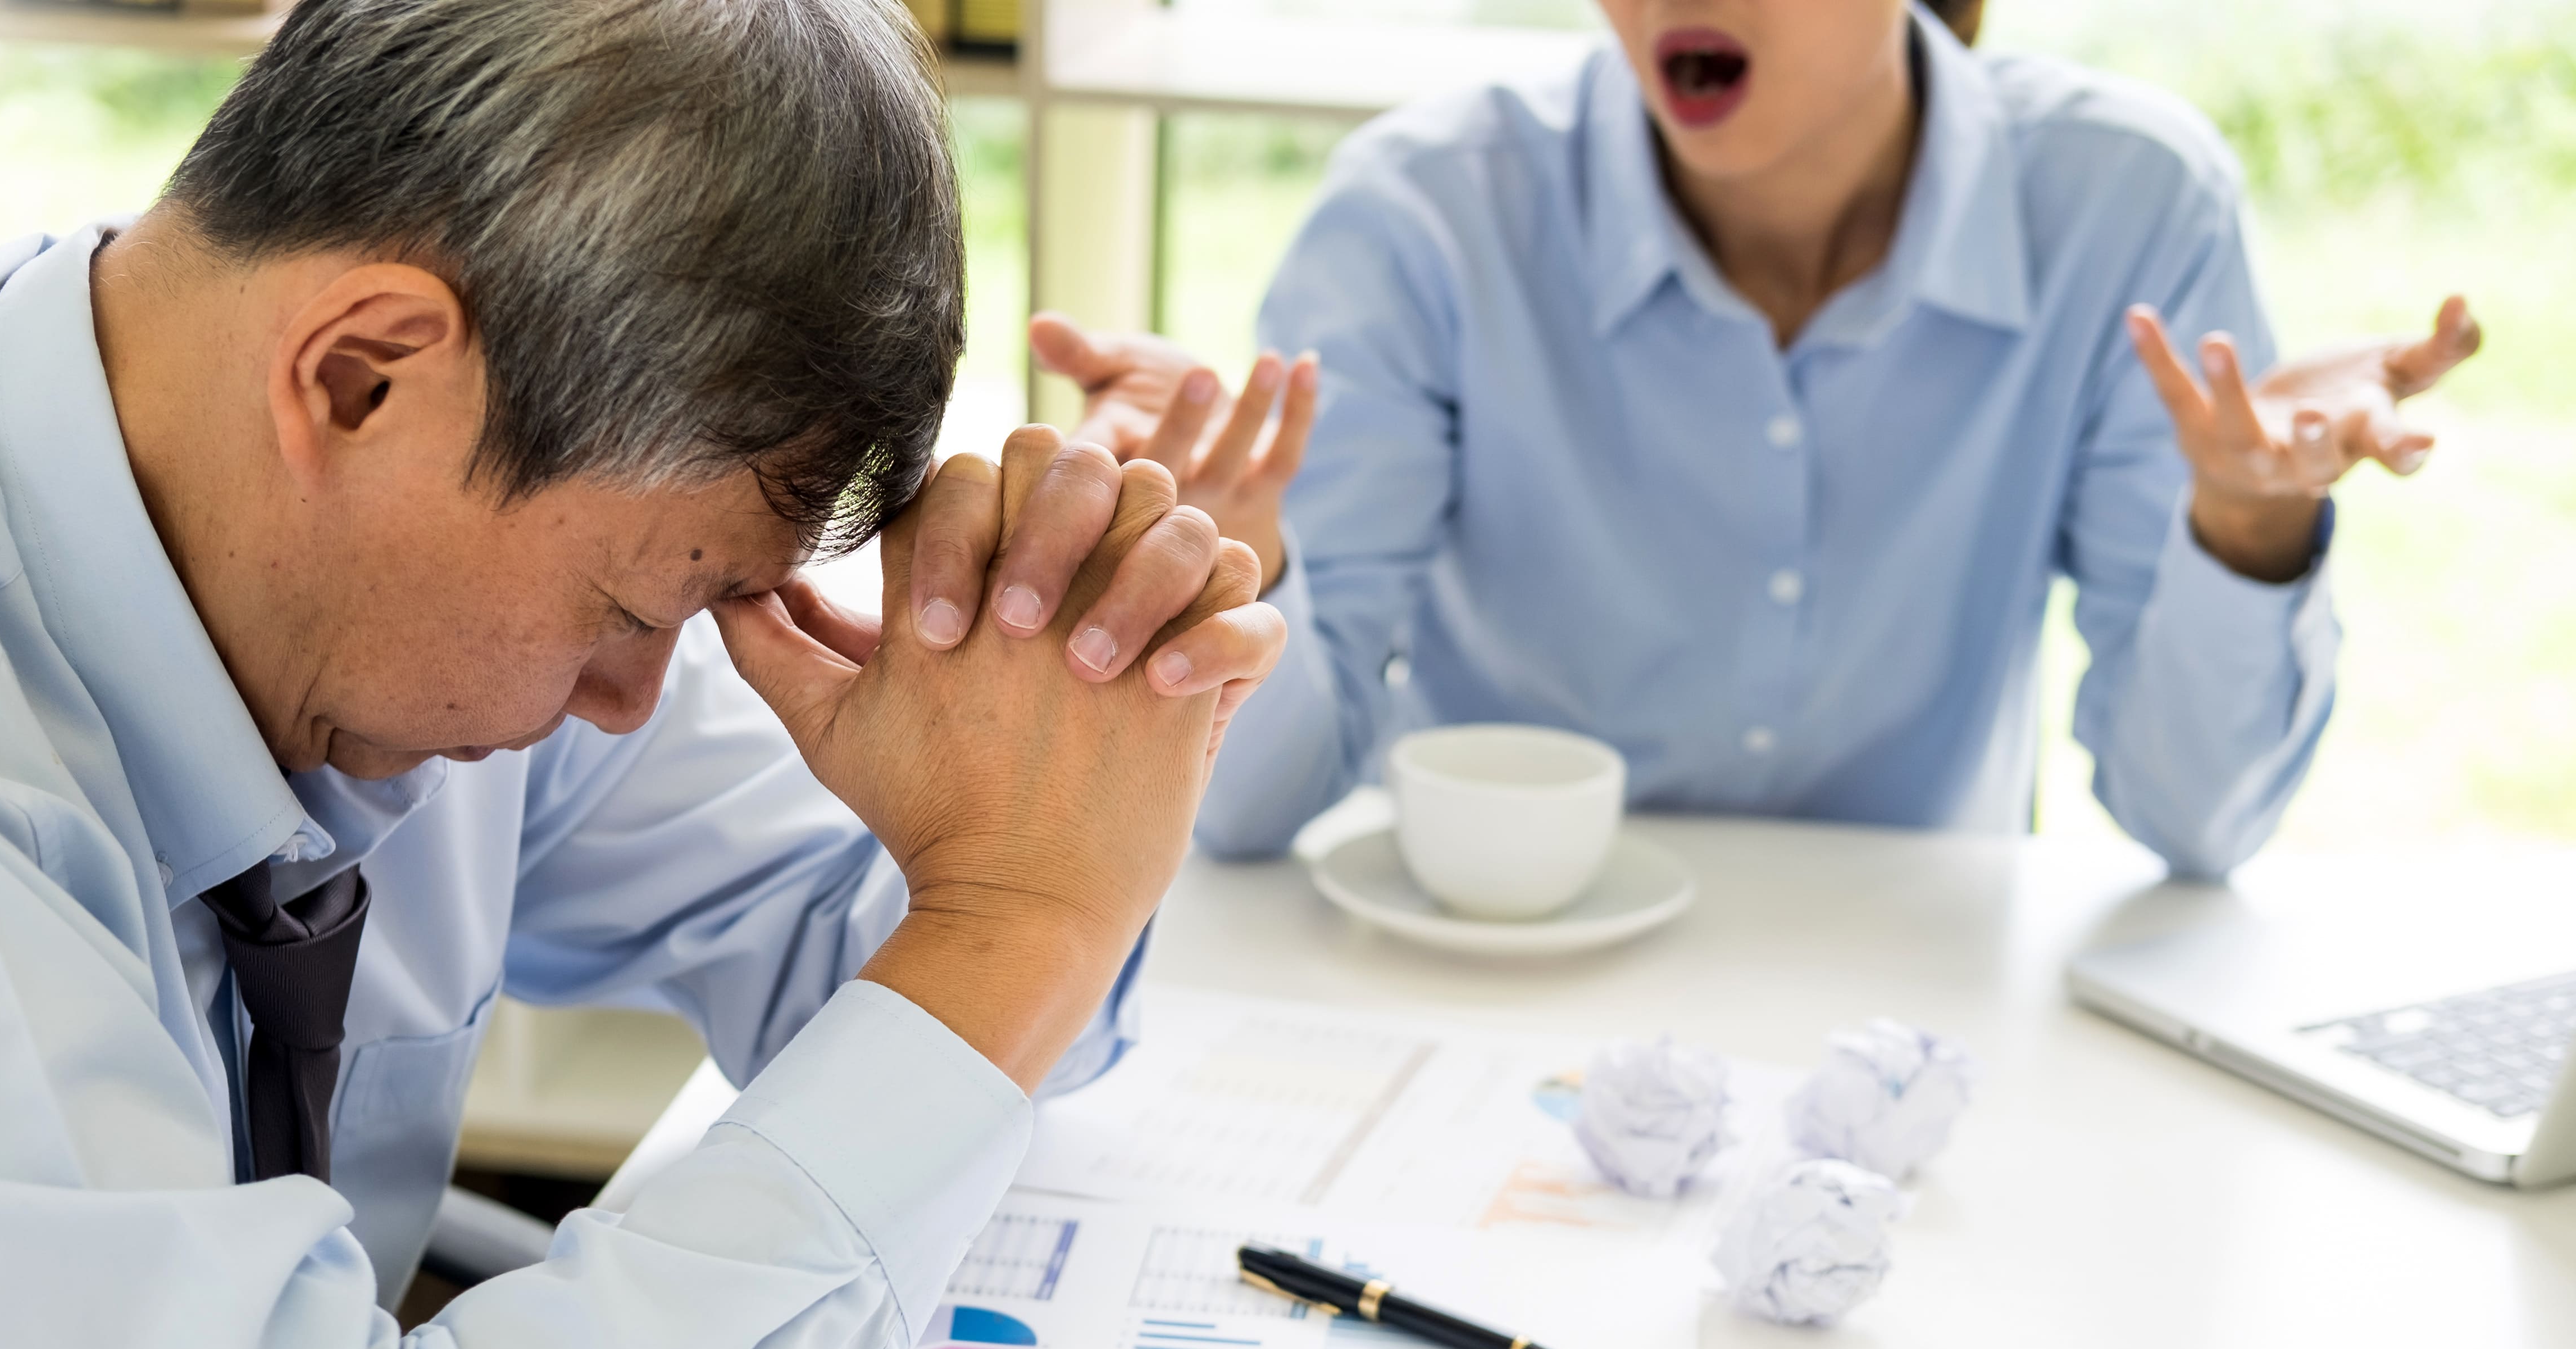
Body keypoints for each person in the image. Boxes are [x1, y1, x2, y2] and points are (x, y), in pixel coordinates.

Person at [0, 0, 1282, 1349]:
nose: (627, 696)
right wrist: (1012, 921)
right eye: (633, 607)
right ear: (359, 374)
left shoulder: (353, 538)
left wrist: (1039, 774)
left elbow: (887, 989)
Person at [1035, 0, 2481, 878]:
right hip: (1485, 994)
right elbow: (1250, 818)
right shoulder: (1421, 217)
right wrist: (1233, 569)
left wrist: (2245, 526)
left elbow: (2198, 827)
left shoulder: (2131, 205)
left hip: (1915, 1021)